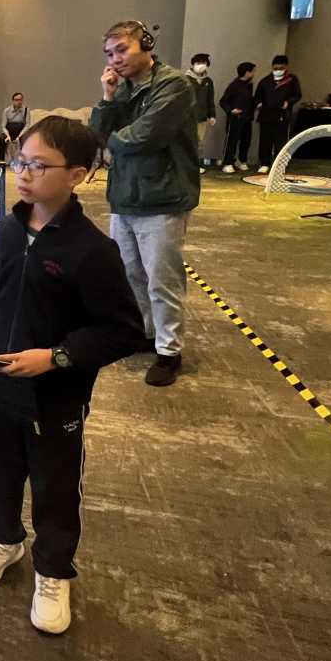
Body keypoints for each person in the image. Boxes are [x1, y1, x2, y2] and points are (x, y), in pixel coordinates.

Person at [0, 117, 144, 635]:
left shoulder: (93, 251)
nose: (23, 174)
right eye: (19, 162)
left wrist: (55, 357)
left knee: (54, 484)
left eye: (37, 166)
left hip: (56, 396)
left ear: (77, 175)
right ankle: (3, 539)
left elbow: (122, 331)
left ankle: (52, 569)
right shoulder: (7, 230)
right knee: (0, 467)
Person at [89, 20, 200, 387]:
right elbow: (96, 132)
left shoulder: (174, 85)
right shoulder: (122, 88)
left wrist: (107, 145)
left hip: (162, 197)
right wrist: (107, 98)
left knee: (162, 280)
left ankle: (169, 352)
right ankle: (146, 334)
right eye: (109, 54)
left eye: (122, 50)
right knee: (130, 276)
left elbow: (145, 136)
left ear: (146, 45)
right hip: (124, 197)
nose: (115, 59)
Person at [254, 55, 303, 173]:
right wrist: (259, 102)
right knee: (265, 141)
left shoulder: (292, 80)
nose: (278, 71)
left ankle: (279, 165)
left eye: (280, 68)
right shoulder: (265, 81)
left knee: (280, 141)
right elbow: (258, 95)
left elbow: (297, 94)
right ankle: (264, 163)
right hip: (266, 115)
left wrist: (288, 102)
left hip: (282, 115)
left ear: (286, 67)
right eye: (275, 68)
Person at [219, 62, 257, 173]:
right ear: (247, 72)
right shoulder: (234, 85)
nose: (254, 73)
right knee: (232, 141)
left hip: (247, 118)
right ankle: (227, 162)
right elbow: (223, 101)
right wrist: (231, 110)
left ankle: (241, 160)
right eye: (253, 71)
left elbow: (248, 101)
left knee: (246, 141)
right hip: (235, 119)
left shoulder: (249, 85)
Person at [186, 54, 216, 174]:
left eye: (203, 63)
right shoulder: (185, 79)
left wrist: (212, 115)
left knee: (199, 143)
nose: (201, 66)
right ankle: (186, 166)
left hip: (202, 117)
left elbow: (210, 99)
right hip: (187, 117)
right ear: (193, 64)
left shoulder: (208, 81)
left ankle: (196, 165)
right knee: (188, 141)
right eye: (198, 63)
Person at [0, 93, 29, 162]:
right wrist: (8, 135)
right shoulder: (7, 111)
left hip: (20, 131)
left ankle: (25, 159)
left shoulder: (26, 110)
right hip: (9, 131)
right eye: (17, 100)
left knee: (26, 140)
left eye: (20, 99)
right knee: (1, 139)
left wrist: (19, 136)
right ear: (13, 101)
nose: (19, 102)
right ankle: (1, 159)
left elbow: (27, 125)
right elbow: (3, 126)